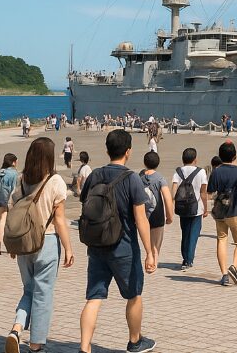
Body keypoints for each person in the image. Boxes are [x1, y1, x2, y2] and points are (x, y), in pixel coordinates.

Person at [77, 129, 157, 353]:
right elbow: (141, 219)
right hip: (124, 247)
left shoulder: (95, 175)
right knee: (133, 295)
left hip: (96, 244)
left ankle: (84, 347)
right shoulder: (131, 178)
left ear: (107, 150)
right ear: (129, 152)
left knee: (94, 297)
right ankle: (135, 341)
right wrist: (150, 251)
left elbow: (86, 204)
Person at [4, 137, 74, 353]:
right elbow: (60, 219)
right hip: (47, 241)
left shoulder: (22, 179)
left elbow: (12, 208)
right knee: (43, 295)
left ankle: (16, 328)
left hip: (24, 244)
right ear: (50, 158)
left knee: (29, 290)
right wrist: (69, 249)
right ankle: (35, 346)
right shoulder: (55, 182)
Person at [207, 142, 237, 287]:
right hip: (235, 210)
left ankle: (224, 274)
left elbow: (210, 190)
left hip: (220, 210)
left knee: (221, 239)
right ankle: (234, 267)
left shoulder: (216, 171)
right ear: (235, 156)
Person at [171, 147, 208, 270]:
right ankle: (189, 260)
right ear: (195, 159)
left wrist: (172, 203)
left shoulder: (178, 171)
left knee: (185, 233)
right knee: (193, 234)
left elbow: (174, 190)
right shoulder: (201, 172)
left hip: (182, 208)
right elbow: (203, 192)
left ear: (183, 159)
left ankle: (185, 258)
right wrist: (206, 208)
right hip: (196, 208)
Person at [139, 152, 172, 265]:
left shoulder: (139, 177)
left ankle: (148, 256)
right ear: (158, 163)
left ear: (144, 163)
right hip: (157, 214)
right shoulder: (160, 178)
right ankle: (153, 262)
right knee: (156, 243)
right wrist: (169, 216)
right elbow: (167, 198)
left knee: (147, 241)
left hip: (142, 214)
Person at [0, 153, 20, 255]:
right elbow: (14, 189)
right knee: (11, 225)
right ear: (13, 162)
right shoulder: (14, 173)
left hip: (0, 200)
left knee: (1, 222)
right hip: (10, 201)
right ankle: (11, 248)